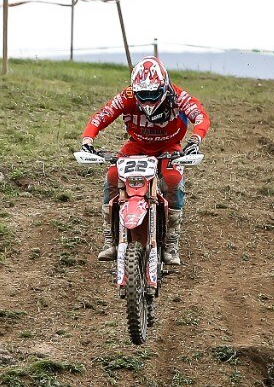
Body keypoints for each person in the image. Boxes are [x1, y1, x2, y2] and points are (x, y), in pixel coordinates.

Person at [80, 56, 210, 266]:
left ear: (164, 86)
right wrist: (87, 140)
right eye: (143, 95)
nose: (148, 101)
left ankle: (171, 241)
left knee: (173, 180)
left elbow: (201, 116)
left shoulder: (178, 96)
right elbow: (102, 116)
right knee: (112, 176)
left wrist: (195, 140)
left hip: (169, 147)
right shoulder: (127, 96)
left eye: (153, 94)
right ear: (135, 90)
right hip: (137, 145)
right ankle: (110, 238)